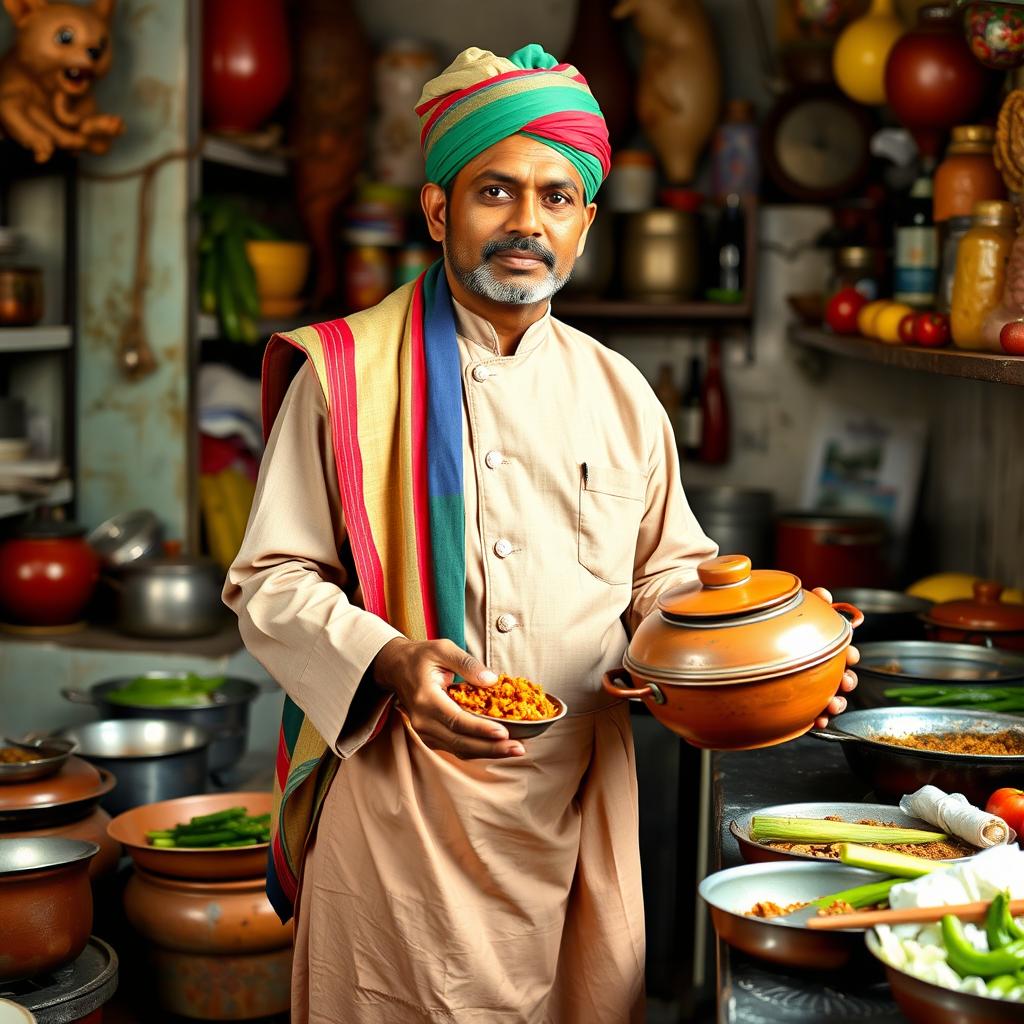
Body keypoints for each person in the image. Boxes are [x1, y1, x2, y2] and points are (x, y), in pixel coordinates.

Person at [224, 43, 858, 1024]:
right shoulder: (343, 376)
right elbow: (270, 580)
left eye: (556, 197)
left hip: (577, 815)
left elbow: (670, 577)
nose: (527, 223)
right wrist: (389, 660)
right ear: (439, 210)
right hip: (402, 815)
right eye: (495, 191)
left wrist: (760, 668)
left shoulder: (620, 394)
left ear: (586, 223)